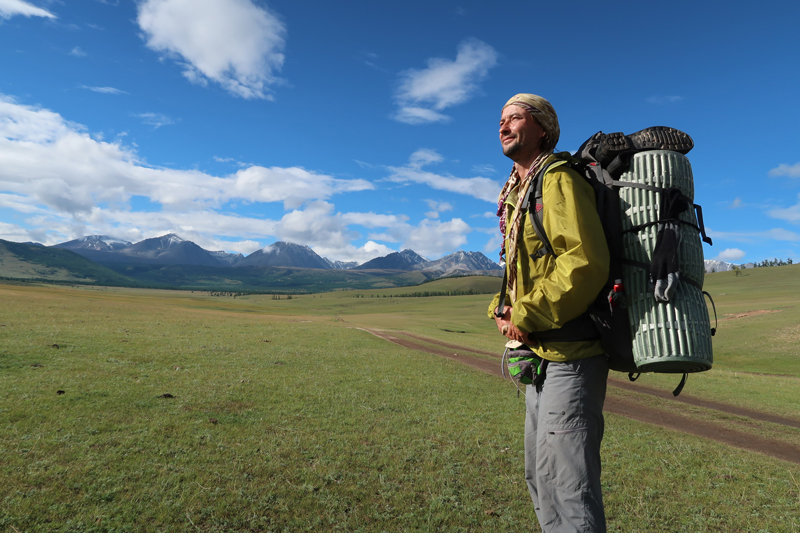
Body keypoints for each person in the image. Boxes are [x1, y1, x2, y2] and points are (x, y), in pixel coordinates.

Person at [488, 93, 610, 533]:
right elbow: (520, 269)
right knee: (539, 478)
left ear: (542, 127)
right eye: (501, 120)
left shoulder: (556, 180)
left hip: (572, 355)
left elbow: (583, 262)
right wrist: (503, 309)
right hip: (541, 354)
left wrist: (526, 313)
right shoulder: (518, 191)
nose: (503, 126)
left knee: (568, 487)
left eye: (515, 118)